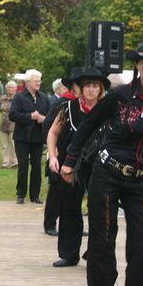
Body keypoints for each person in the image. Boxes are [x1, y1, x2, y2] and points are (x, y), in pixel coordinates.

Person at [62, 39, 143, 286]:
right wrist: (71, 160)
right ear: (137, 65)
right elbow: (89, 124)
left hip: (140, 181)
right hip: (108, 175)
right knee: (102, 244)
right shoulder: (119, 95)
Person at [47, 67, 110, 267]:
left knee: (99, 209)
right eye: (88, 86)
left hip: (99, 164)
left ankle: (95, 252)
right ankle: (69, 253)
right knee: (69, 207)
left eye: (95, 86)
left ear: (100, 89)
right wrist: (53, 155)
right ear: (81, 89)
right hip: (71, 163)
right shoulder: (69, 107)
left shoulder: (107, 109)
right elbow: (53, 133)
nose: (91, 90)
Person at [42, 67, 84, 236]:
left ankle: (74, 224)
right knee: (57, 189)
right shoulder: (62, 103)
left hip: (79, 155)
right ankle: (50, 223)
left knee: (77, 191)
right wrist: (54, 150)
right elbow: (48, 126)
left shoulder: (88, 105)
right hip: (61, 152)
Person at [10, 69, 48, 204]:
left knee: (37, 166)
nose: (38, 83)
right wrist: (30, 116)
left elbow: (50, 116)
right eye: (35, 81)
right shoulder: (19, 97)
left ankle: (35, 195)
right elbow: (13, 115)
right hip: (22, 137)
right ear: (28, 82)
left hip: (38, 138)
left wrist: (43, 118)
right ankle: (21, 194)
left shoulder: (43, 97)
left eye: (39, 81)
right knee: (23, 165)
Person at [0, 80, 18, 169]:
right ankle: (5, 163)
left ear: (15, 89)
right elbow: (0, 109)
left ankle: (14, 162)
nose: (10, 89)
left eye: (12, 87)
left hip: (14, 125)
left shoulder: (17, 99)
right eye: (9, 87)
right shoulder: (2, 98)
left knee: (14, 145)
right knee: (4, 145)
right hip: (3, 124)